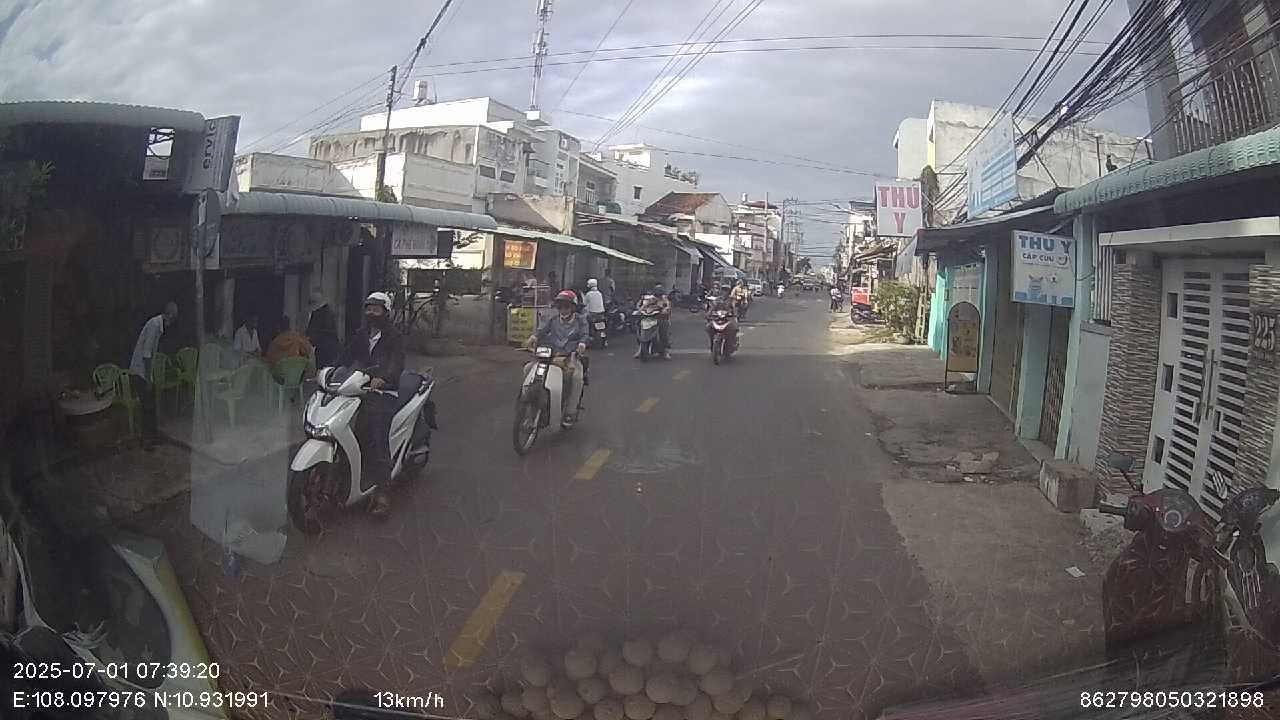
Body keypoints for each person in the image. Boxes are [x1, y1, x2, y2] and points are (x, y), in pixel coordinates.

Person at [342, 292, 405, 517]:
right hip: (360, 390)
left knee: (378, 437)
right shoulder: (361, 335)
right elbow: (346, 357)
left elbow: (397, 363)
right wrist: (327, 370)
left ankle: (383, 493)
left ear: (386, 312)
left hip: (384, 391)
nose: (371, 313)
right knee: (352, 432)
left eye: (376, 309)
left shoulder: (394, 337)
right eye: (368, 309)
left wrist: (384, 378)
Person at [525, 290, 589, 422]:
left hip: (571, 356)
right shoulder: (553, 319)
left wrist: (582, 344)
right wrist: (533, 337)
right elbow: (542, 330)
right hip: (551, 355)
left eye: (566, 306)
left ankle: (570, 411)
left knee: (576, 378)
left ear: (573, 307)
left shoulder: (580, 320)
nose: (563, 309)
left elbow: (585, 335)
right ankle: (525, 400)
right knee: (528, 368)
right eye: (560, 306)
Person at [128, 301, 177, 451]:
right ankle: (146, 440)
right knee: (147, 407)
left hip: (145, 372)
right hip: (140, 371)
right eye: (174, 317)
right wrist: (149, 378)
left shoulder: (158, 326)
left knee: (151, 405)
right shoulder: (155, 325)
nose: (173, 321)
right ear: (169, 315)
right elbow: (147, 354)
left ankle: (153, 437)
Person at [306, 291, 341, 369]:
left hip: (324, 348)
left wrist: (309, 339)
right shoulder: (328, 312)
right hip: (330, 348)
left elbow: (313, 331)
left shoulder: (319, 314)